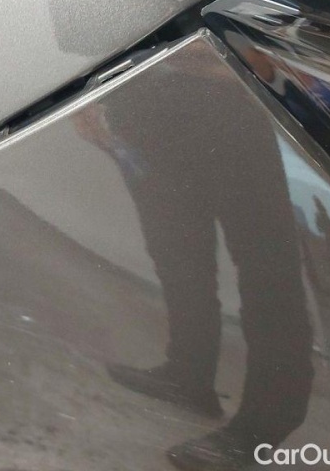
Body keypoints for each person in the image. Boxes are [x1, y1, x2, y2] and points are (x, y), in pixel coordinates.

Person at [75, 47, 314, 470]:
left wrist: (238, 58)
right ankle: (188, 373)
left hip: (224, 95)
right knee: (175, 253)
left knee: (264, 263)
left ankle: (268, 418)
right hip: (139, 104)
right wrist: (88, 95)